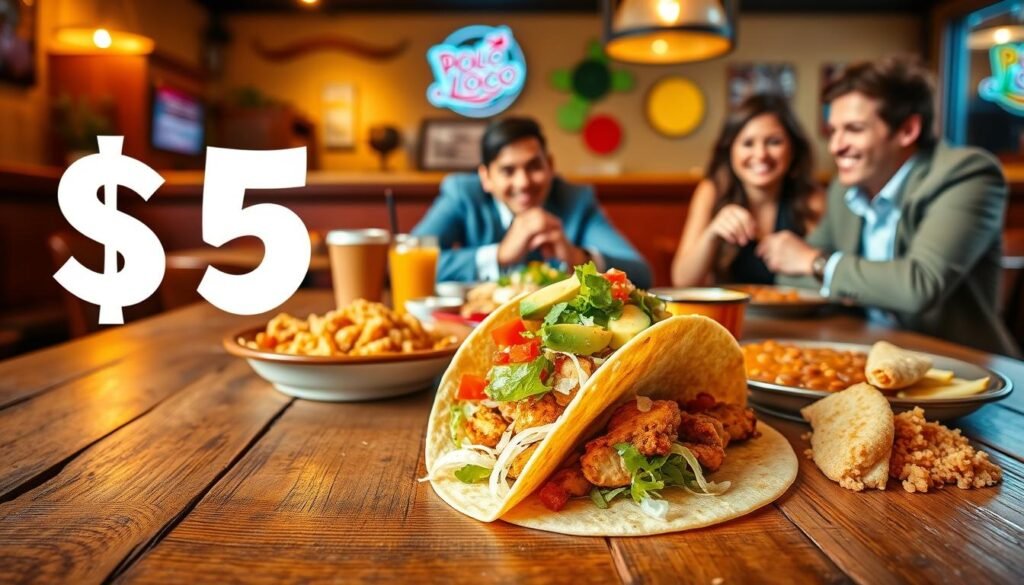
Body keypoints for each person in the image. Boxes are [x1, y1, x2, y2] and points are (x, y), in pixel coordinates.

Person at [758, 56, 1019, 357]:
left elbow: (919, 285)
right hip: (870, 353)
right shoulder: (845, 188)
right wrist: (825, 269)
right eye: (833, 130)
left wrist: (819, 264)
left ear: (907, 130)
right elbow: (790, 275)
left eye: (854, 129)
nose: (835, 146)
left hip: (963, 367)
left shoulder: (967, 174)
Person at [412, 117, 652, 288]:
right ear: (486, 178)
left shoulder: (575, 200)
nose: (523, 182)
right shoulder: (463, 194)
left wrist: (577, 257)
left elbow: (641, 273)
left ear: (550, 166)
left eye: (534, 166)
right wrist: (499, 255)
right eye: (507, 171)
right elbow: (409, 260)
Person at [671, 94, 824, 286]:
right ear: (730, 150)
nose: (760, 154)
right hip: (730, 306)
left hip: (797, 306)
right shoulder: (712, 191)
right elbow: (682, 281)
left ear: (793, 149)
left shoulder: (811, 198)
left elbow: (824, 278)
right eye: (748, 143)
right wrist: (712, 233)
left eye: (774, 142)